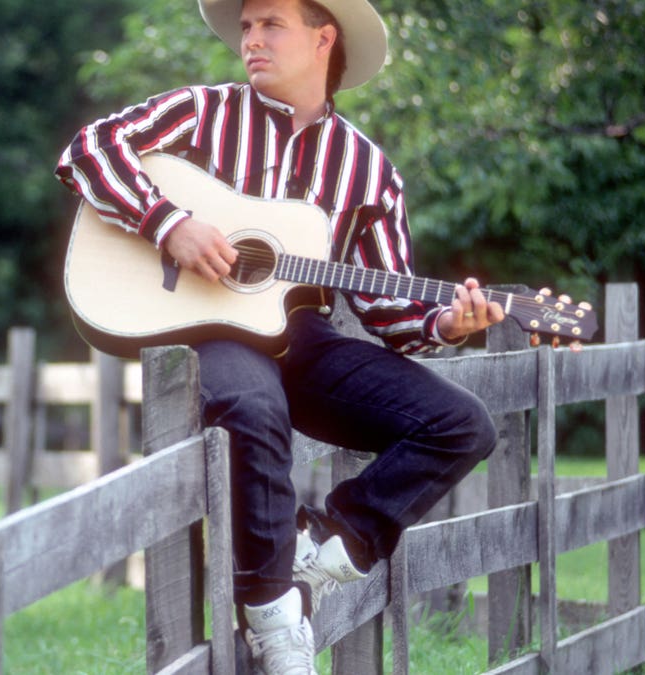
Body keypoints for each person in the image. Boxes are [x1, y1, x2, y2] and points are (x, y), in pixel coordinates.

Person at [56, 0, 504, 672]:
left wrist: (445, 322)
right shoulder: (204, 112)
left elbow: (391, 308)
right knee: (254, 401)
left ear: (324, 39)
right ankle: (272, 616)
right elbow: (87, 150)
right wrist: (167, 221)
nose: (252, 40)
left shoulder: (367, 170)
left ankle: (329, 545)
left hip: (300, 337)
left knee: (462, 425)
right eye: (246, 26)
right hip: (207, 328)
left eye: (271, 25)